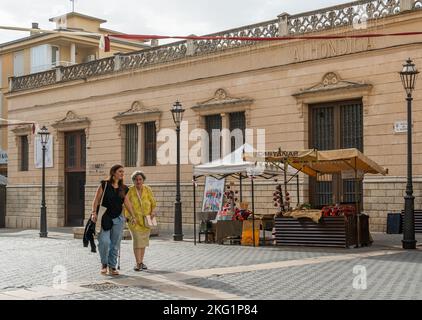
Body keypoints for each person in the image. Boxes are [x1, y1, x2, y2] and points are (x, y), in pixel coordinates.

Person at [91, 164, 136, 276]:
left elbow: (127, 203)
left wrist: (133, 216)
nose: (122, 174)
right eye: (120, 171)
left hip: (118, 219)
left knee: (115, 244)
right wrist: (93, 213)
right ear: (113, 172)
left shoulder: (124, 188)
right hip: (105, 218)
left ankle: (112, 266)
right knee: (104, 242)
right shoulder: (104, 185)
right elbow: (96, 200)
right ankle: (104, 264)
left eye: (123, 172)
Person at [125, 171, 157, 271]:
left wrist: (152, 212)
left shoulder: (148, 189)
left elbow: (153, 202)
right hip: (134, 220)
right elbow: (125, 204)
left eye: (140, 179)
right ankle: (138, 263)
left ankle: (141, 262)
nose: (138, 181)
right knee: (137, 241)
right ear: (133, 181)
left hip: (146, 220)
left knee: (143, 242)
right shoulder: (129, 190)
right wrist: (129, 217)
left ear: (143, 180)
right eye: (136, 179)